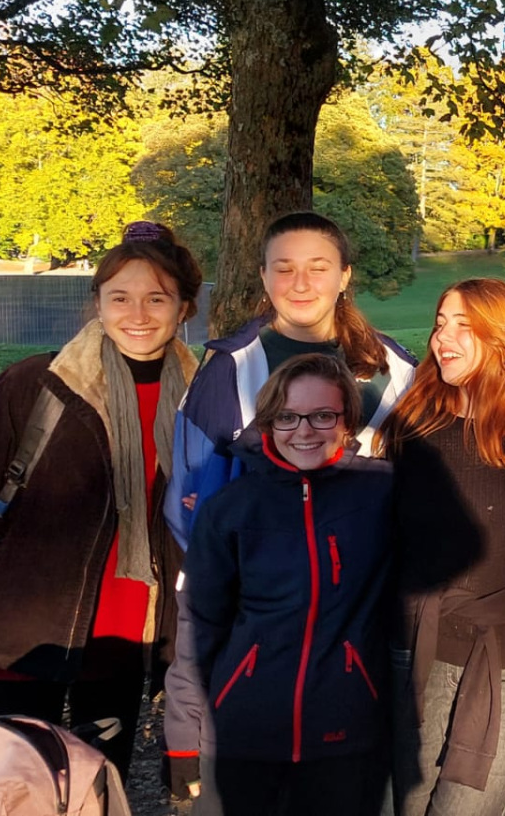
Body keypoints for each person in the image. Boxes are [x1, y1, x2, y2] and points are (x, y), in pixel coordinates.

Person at [0, 221, 204, 776]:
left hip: (129, 630)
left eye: (156, 298)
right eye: (119, 297)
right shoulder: (39, 384)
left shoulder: (201, 398)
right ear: (97, 303)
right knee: (21, 783)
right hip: (30, 624)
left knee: (101, 781)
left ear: (184, 308)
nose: (138, 314)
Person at [161, 211, 419, 800]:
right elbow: (192, 503)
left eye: (317, 267)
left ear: (345, 275)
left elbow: (419, 488)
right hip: (260, 626)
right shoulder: (230, 367)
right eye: (284, 268)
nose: (301, 283)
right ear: (262, 275)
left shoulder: (395, 369)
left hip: (353, 639)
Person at [379, 278, 505, 816]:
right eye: (441, 323)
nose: (443, 337)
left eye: (464, 326)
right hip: (415, 653)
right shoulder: (413, 422)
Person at [183, 354, 396, 815]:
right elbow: (200, 622)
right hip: (248, 726)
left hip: (346, 724)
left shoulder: (382, 492)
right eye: (287, 417)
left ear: (347, 420)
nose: (304, 431)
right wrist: (185, 732)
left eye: (323, 416)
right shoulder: (231, 508)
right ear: (268, 422)